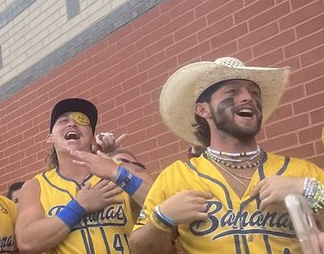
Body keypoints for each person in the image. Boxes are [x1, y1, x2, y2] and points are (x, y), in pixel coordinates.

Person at [131, 57, 324, 253]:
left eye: (254, 93)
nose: (248, 98)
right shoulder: (177, 176)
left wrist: (308, 190)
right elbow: (140, 249)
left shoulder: (301, 171)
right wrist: (162, 218)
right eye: (233, 91)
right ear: (203, 109)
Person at [15, 98, 148, 254]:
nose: (72, 124)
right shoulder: (35, 186)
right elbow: (27, 242)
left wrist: (117, 173)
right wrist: (79, 206)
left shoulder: (120, 170)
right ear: (50, 137)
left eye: (81, 121)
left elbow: (162, 201)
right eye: (63, 121)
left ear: (92, 137)